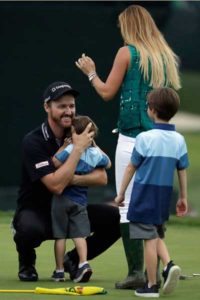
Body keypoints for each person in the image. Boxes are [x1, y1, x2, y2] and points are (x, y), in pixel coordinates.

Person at [75, 4, 181, 289]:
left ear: (129, 26)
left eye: (123, 26)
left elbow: (107, 92)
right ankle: (156, 270)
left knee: (127, 205)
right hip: (163, 138)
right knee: (154, 206)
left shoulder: (127, 52)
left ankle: (137, 272)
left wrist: (90, 72)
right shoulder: (164, 56)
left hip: (134, 137)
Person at [13, 81, 120, 282]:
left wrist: (71, 176)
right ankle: (27, 262)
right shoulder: (33, 141)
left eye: (71, 106)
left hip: (72, 207)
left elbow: (102, 176)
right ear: (47, 107)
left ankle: (73, 261)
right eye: (61, 106)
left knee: (116, 218)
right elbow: (55, 185)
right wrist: (77, 150)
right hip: (38, 210)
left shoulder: (79, 132)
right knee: (28, 229)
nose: (68, 111)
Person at [115, 87, 188, 297]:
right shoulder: (179, 140)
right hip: (163, 197)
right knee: (156, 234)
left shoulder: (144, 138)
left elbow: (131, 167)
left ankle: (151, 285)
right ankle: (169, 264)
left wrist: (120, 194)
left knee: (148, 240)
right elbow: (182, 170)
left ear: (152, 110)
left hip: (144, 195)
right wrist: (182, 197)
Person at [51, 115, 111, 282]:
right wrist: (95, 146)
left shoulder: (70, 149)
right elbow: (108, 164)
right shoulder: (95, 154)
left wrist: (64, 146)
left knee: (60, 236)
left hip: (61, 198)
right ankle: (83, 263)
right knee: (79, 235)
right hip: (80, 201)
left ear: (73, 132)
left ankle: (59, 271)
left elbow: (54, 162)